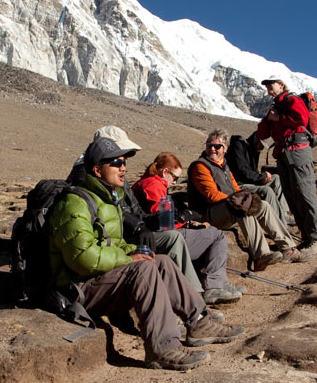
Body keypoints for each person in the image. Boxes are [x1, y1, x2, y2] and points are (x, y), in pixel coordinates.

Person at [48, 138, 244, 370]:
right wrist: (128, 259)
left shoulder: (107, 199)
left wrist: (136, 251)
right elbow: (83, 259)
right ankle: (162, 347)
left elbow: (113, 244)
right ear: (96, 169)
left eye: (124, 162)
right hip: (77, 290)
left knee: (159, 260)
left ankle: (200, 321)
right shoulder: (74, 203)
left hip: (98, 282)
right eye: (115, 162)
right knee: (143, 268)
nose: (123, 167)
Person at [66, 126, 234, 304]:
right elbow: (109, 211)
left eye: (124, 159)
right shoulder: (88, 174)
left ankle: (195, 298)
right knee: (172, 238)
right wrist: (139, 226)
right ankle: (193, 299)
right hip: (115, 239)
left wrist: (147, 222)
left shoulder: (109, 171)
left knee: (198, 236)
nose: (123, 164)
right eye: (118, 158)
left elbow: (131, 209)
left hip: (123, 233)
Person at [132, 152, 246, 304]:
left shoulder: (150, 182)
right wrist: (185, 220)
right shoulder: (153, 184)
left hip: (158, 233)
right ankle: (214, 286)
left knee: (212, 232)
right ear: (164, 171)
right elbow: (162, 220)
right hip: (162, 236)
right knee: (216, 235)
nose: (174, 182)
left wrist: (186, 222)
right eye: (175, 177)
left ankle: (219, 283)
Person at [187, 129, 308, 271]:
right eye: (209, 146)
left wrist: (244, 198)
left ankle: (288, 248)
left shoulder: (224, 165)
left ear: (225, 149)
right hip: (206, 214)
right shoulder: (200, 166)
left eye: (217, 146)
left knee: (263, 205)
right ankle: (261, 255)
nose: (212, 149)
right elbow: (212, 195)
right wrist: (238, 200)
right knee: (241, 208)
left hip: (225, 207)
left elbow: (236, 188)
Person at [257, 76, 317, 255]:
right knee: (292, 196)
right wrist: (270, 118)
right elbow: (264, 133)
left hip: (297, 150)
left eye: (271, 84)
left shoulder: (292, 100)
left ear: (281, 85)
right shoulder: (276, 106)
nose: (268, 87)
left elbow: (301, 119)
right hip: (283, 153)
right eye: (266, 85)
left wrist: (279, 118)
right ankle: (307, 238)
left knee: (305, 193)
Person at [225, 132, 294, 226]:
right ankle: (280, 224)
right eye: (261, 145)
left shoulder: (254, 151)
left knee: (276, 179)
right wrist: (261, 177)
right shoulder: (238, 145)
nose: (261, 148)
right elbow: (242, 170)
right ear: (255, 140)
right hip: (238, 184)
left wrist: (261, 178)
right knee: (267, 191)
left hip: (250, 182)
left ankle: (283, 214)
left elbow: (252, 171)